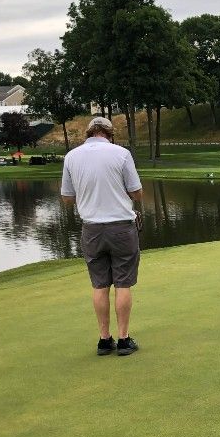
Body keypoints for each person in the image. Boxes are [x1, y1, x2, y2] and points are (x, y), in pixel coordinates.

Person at [61, 116, 143, 356]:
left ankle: (104, 340)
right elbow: (137, 193)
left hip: (92, 229)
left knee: (100, 285)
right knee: (123, 283)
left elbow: (67, 198)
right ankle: (124, 340)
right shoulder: (121, 153)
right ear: (109, 133)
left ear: (88, 133)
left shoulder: (71, 156)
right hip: (121, 227)